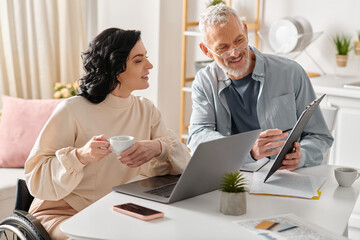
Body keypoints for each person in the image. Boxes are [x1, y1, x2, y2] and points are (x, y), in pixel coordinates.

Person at [25, 28, 191, 240]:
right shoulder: (72, 110)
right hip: (62, 212)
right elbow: (35, 176)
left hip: (115, 210)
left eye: (146, 58)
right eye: (138, 60)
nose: (149, 66)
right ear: (115, 67)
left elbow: (185, 165)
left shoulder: (146, 110)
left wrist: (160, 148)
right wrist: (80, 156)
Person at [187, 4, 333, 170]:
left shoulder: (291, 72)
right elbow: (198, 135)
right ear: (206, 51)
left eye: (239, 40)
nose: (235, 53)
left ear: (245, 30)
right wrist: (247, 151)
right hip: (234, 176)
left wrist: (303, 156)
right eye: (223, 48)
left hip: (287, 177)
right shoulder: (204, 81)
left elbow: (319, 136)